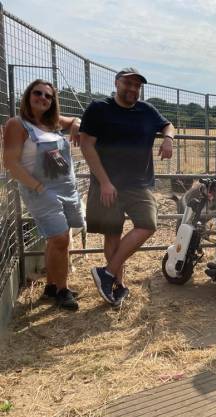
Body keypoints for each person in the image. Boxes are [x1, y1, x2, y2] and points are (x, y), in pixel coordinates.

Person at [79, 67, 174, 306]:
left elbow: (168, 125)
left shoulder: (146, 110)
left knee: (148, 224)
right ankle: (117, 285)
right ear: (116, 83)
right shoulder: (99, 109)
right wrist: (104, 182)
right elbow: (87, 145)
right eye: (128, 84)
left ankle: (106, 273)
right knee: (112, 233)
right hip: (106, 184)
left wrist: (168, 139)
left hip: (139, 184)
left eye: (137, 85)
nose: (133, 89)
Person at [3, 79, 84, 310]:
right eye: (38, 93)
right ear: (28, 96)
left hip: (66, 188)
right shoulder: (17, 125)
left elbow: (75, 120)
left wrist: (76, 124)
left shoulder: (53, 122)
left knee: (59, 238)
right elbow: (10, 162)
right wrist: (39, 188)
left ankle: (50, 286)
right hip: (40, 190)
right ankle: (62, 290)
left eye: (48, 96)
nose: (43, 98)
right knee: (60, 239)